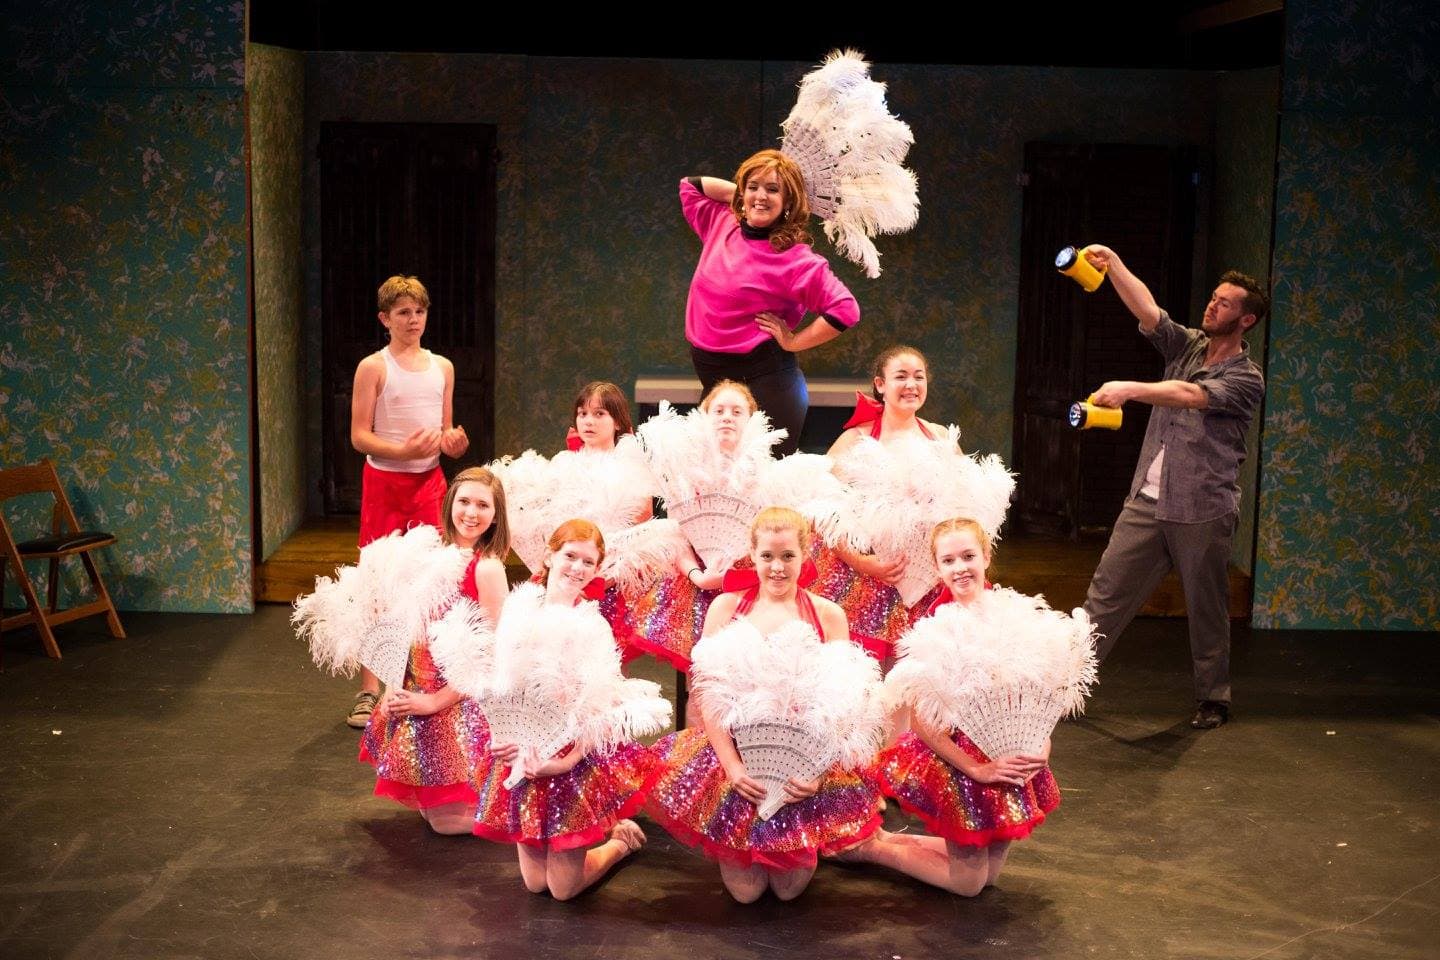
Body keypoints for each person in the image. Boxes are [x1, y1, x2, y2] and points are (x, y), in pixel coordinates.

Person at [645, 508, 881, 903]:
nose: (777, 567)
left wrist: (817, 774)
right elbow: (708, 696)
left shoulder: (828, 615)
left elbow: (841, 703)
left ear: (805, 555)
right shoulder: (726, 608)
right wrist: (734, 768)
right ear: (751, 555)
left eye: (788, 556)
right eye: (767, 556)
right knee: (746, 892)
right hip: (736, 756)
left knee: (789, 891)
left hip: (800, 768)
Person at [1078, 247, 1267, 729]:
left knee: (1207, 607)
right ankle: (1066, 683)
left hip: (1202, 507)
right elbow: (1148, 311)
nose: (1212, 306)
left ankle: (1213, 698)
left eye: (1225, 304)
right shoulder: (1186, 347)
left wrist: (1130, 388)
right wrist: (1115, 264)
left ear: (1246, 320)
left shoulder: (1246, 378)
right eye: (1213, 298)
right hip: (1147, 500)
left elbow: (1190, 396)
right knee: (1104, 596)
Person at [839, 518, 1057, 895]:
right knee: (968, 884)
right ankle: (872, 849)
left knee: (988, 876)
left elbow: (1037, 697)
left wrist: (1041, 746)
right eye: (949, 560)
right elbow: (923, 722)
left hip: (1009, 756)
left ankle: (886, 839)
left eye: (968, 556)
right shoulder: (934, 628)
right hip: (960, 762)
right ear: (938, 568)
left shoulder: (1012, 614)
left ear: (986, 557)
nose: (960, 568)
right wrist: (979, 769)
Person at [473, 520, 659, 901]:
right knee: (535, 884)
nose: (577, 568)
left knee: (562, 889)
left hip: (569, 757)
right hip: (521, 752)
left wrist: (566, 761)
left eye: (588, 562)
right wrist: (503, 740)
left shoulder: (593, 627)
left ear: (597, 569)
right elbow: (500, 684)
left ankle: (619, 844)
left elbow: (600, 708)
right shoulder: (519, 608)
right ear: (549, 555)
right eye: (569, 556)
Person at [345, 275, 470, 728]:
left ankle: (423, 682)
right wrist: (403, 451)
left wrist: (452, 444)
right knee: (379, 585)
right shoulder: (373, 367)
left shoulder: (443, 367)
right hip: (385, 485)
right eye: (403, 312)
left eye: (419, 311)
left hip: (430, 484)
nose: (413, 320)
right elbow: (360, 436)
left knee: (432, 582)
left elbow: (445, 432)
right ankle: (368, 689)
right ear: (385, 319)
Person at [359, 467, 509, 834]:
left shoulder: (487, 568)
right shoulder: (429, 555)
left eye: (482, 505)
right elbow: (406, 627)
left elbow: (492, 654)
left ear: (495, 515)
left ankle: (520, 812)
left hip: (458, 699)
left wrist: (435, 702)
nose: (471, 513)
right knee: (431, 813)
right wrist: (394, 682)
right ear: (449, 504)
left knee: (446, 825)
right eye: (464, 502)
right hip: (420, 684)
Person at [681, 150, 860, 455]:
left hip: (767, 385)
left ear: (788, 201)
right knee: (717, 482)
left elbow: (846, 309)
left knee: (766, 489)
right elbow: (691, 185)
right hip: (716, 384)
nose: (761, 196)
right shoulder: (723, 222)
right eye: (753, 186)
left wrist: (794, 342)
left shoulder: (797, 259)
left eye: (773, 190)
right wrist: (746, 196)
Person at [814, 345, 950, 660]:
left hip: (928, 577)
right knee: (870, 677)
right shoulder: (855, 440)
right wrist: (861, 562)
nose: (911, 385)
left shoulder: (941, 438)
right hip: (866, 576)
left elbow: (959, 512)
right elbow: (822, 513)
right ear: (880, 385)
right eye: (900, 377)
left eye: (919, 377)